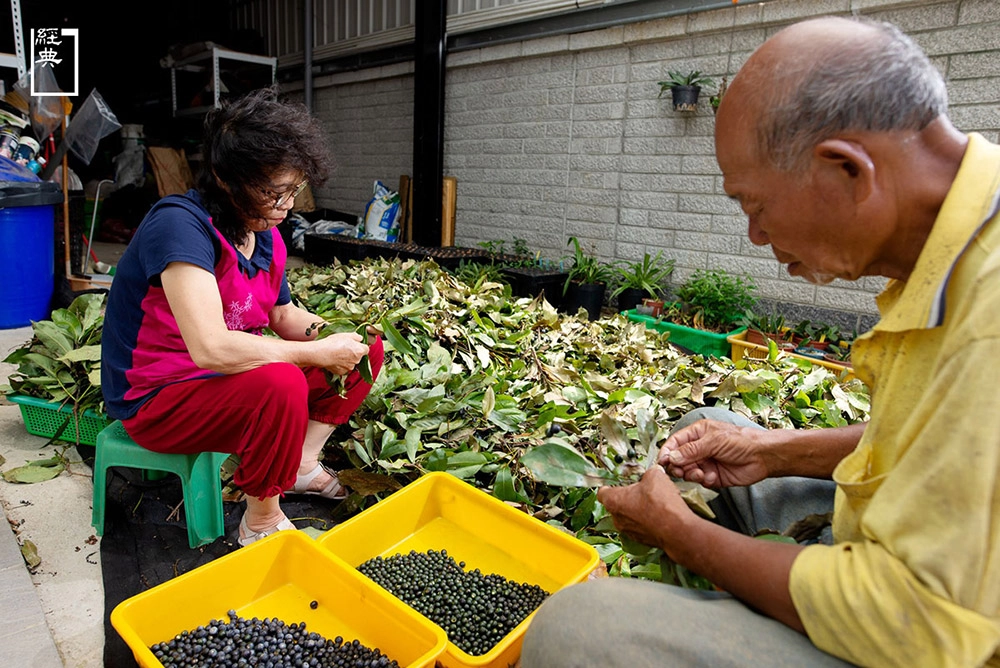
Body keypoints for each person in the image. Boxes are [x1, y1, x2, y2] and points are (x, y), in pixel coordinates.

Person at [521, 15, 1000, 668]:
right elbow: (931, 446)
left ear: (845, 171)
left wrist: (681, 535)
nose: (755, 237)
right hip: (928, 561)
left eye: (754, 206)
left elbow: (920, 625)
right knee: (715, 424)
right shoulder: (961, 238)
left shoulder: (988, 322)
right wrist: (772, 451)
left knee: (577, 630)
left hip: (936, 636)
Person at [100, 87, 384, 547]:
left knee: (365, 349)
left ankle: (300, 465)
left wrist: (330, 336)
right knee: (282, 381)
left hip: (225, 380)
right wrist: (311, 353)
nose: (287, 206)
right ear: (226, 178)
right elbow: (211, 347)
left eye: (294, 191)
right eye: (274, 192)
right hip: (158, 395)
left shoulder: (265, 233)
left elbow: (283, 313)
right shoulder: (180, 224)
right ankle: (261, 520)